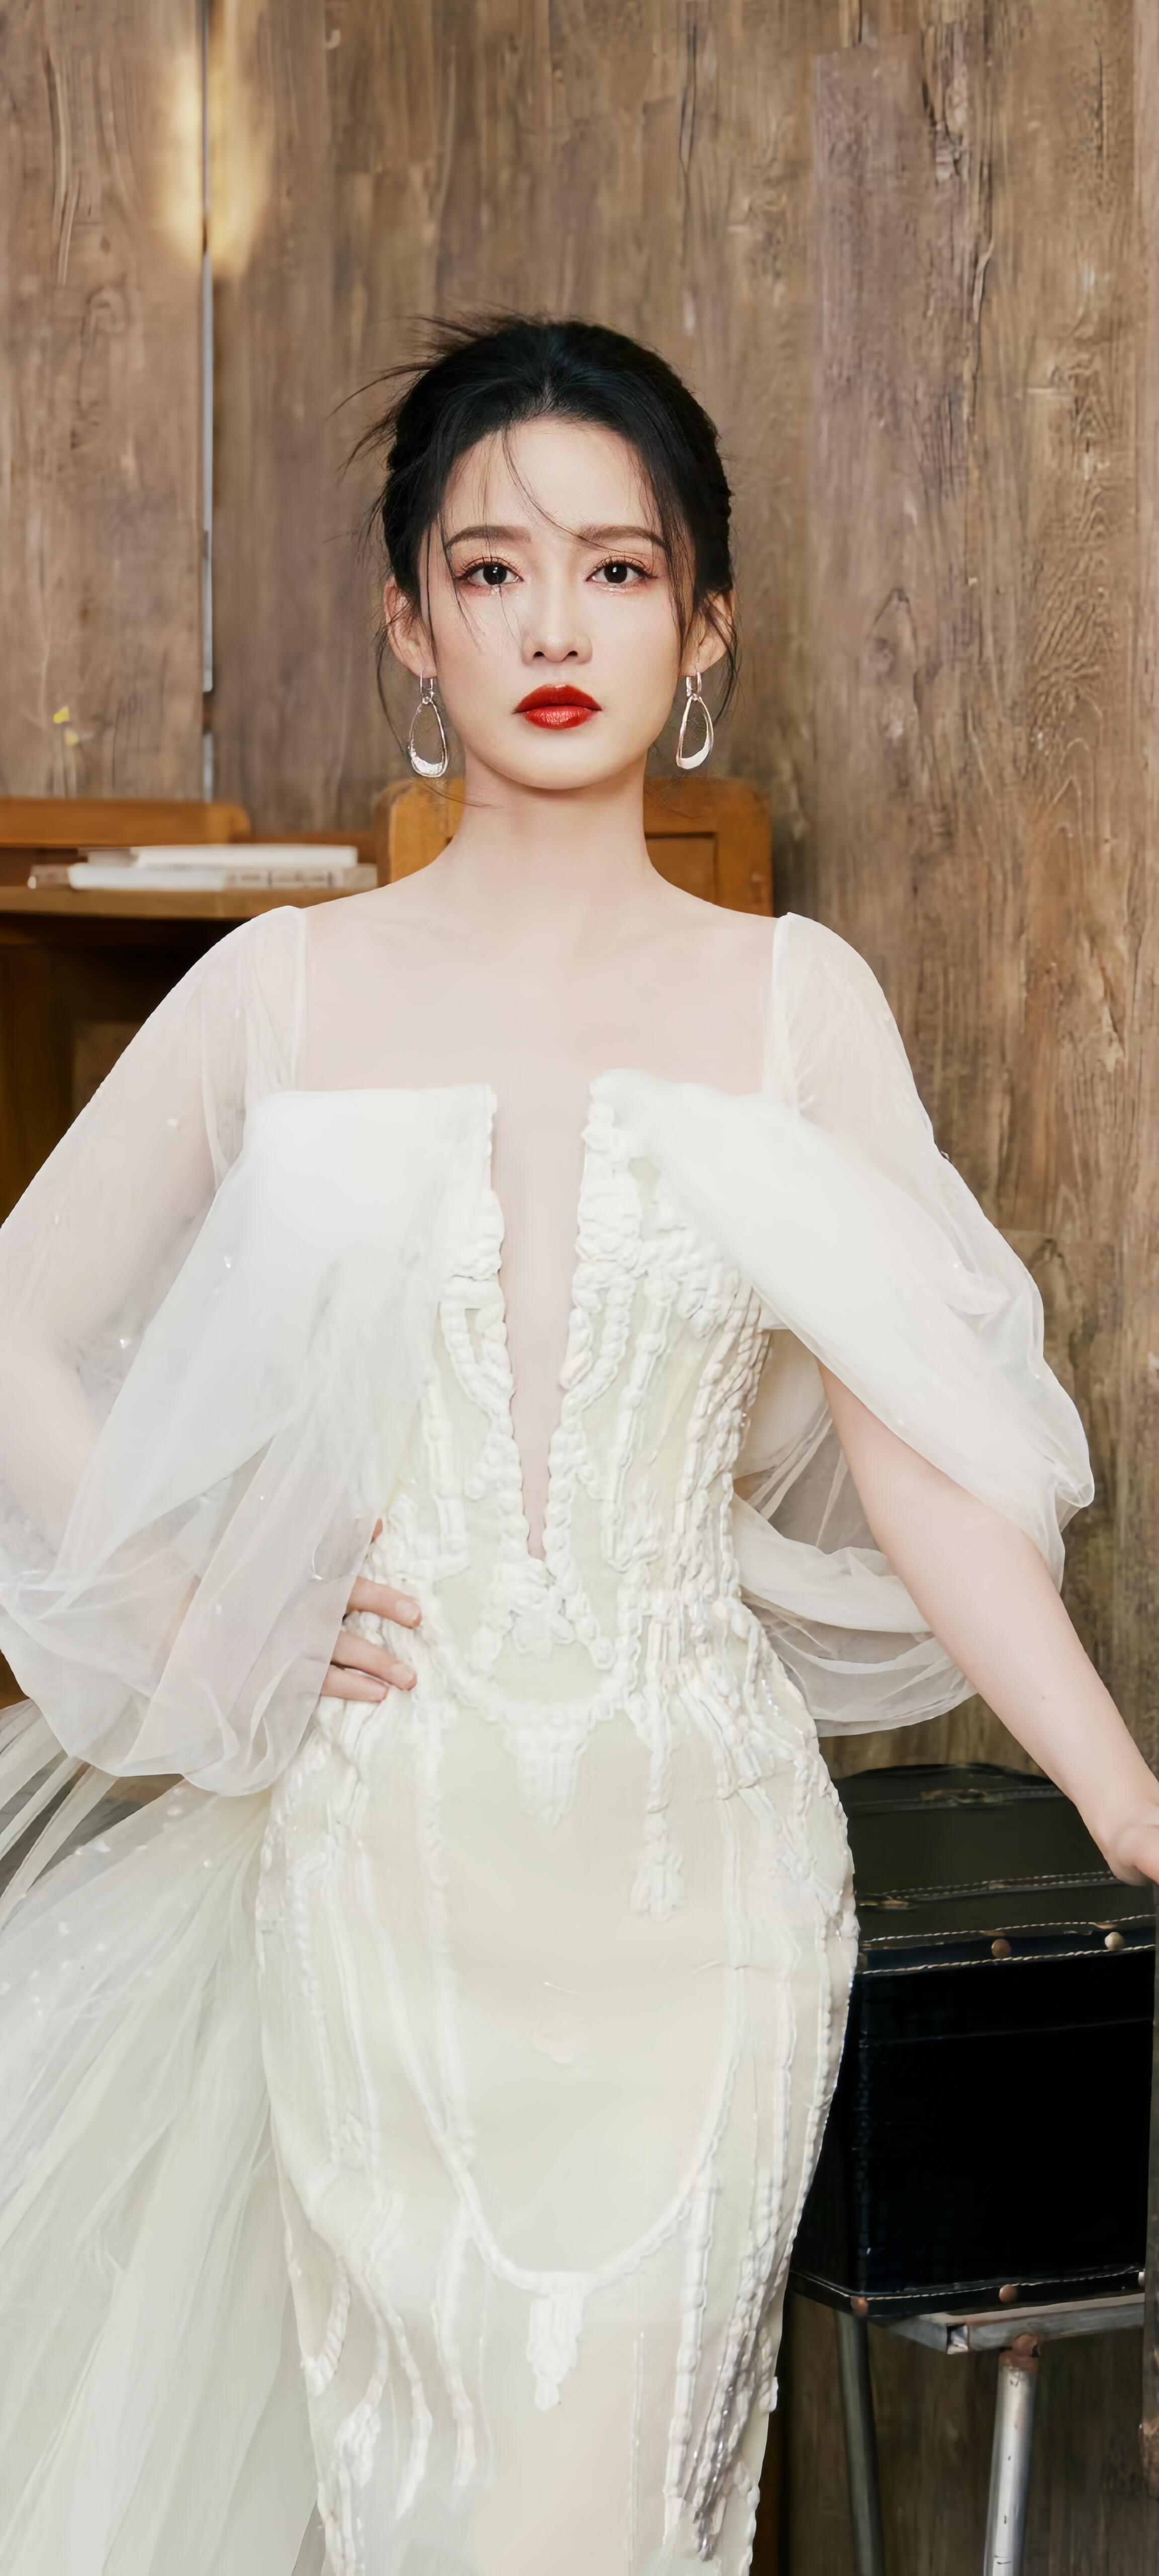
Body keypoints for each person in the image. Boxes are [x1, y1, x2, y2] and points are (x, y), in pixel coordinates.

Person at [0, 315, 1154, 2576]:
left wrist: (1124, 1796)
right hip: (382, 1874)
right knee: (429, 2506)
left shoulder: (793, 1001)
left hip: (693, 1886)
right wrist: (202, 1629)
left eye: (618, 571)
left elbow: (926, 1462)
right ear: (408, 622)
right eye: (493, 569)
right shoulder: (281, 994)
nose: (555, 626)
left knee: (606, 2501)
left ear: (704, 626)